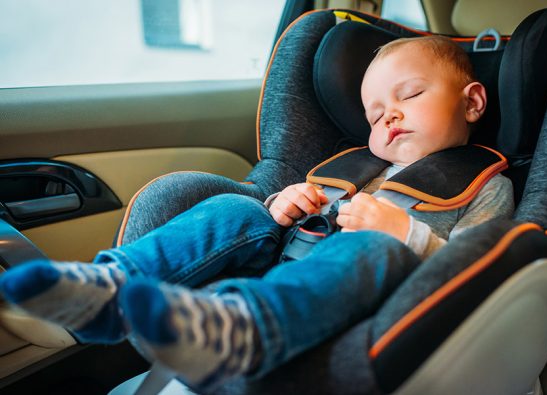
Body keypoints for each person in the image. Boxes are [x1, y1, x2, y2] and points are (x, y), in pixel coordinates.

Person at [0, 36, 514, 391]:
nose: (391, 115)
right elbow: (280, 221)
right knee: (234, 209)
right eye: (376, 115)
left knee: (369, 246)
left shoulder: (486, 187)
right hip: (279, 272)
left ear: (471, 103)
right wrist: (282, 206)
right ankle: (107, 291)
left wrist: (405, 233)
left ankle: (243, 330)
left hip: (381, 301)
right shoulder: (351, 168)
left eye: (411, 95)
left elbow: (484, 274)